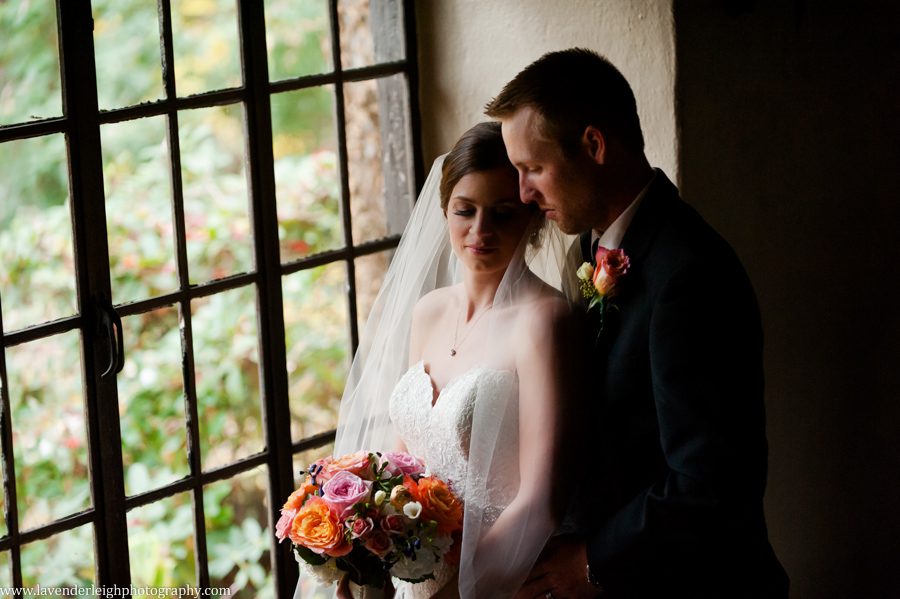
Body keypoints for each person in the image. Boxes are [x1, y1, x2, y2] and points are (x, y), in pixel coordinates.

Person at [485, 48, 789, 598]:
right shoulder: (591, 244)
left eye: (533, 168)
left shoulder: (689, 274)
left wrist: (592, 563)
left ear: (594, 145)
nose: (524, 193)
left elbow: (709, 481)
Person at [299, 121, 585, 599]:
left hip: (501, 577)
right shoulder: (428, 312)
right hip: (414, 574)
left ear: (532, 217)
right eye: (465, 211)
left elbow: (541, 498)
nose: (480, 231)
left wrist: (461, 590)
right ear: (444, 210)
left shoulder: (544, 321)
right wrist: (366, 558)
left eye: (502, 213)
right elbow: (403, 463)